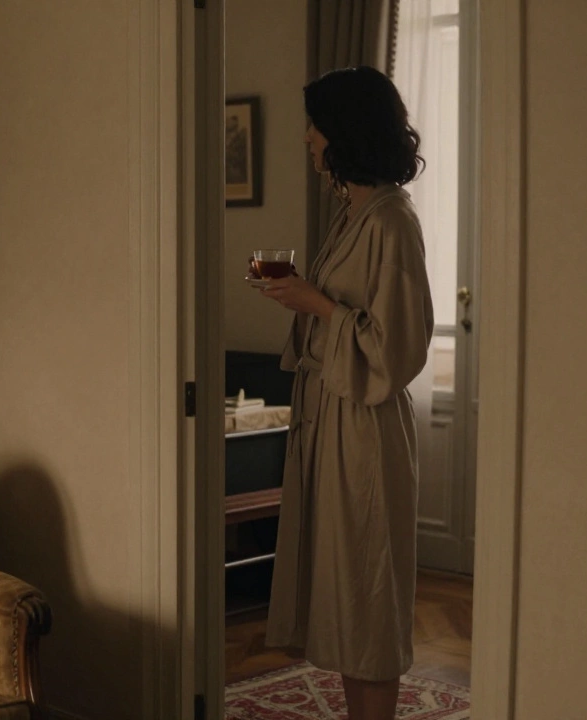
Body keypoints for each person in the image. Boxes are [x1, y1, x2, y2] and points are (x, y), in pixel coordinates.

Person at [256, 65, 433, 720]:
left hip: (365, 429)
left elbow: (400, 347)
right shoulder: (351, 214)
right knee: (345, 595)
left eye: (313, 125)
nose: (306, 138)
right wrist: (303, 296)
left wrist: (318, 305)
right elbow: (338, 311)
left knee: (369, 599)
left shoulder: (392, 224)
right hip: (330, 420)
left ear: (342, 132)